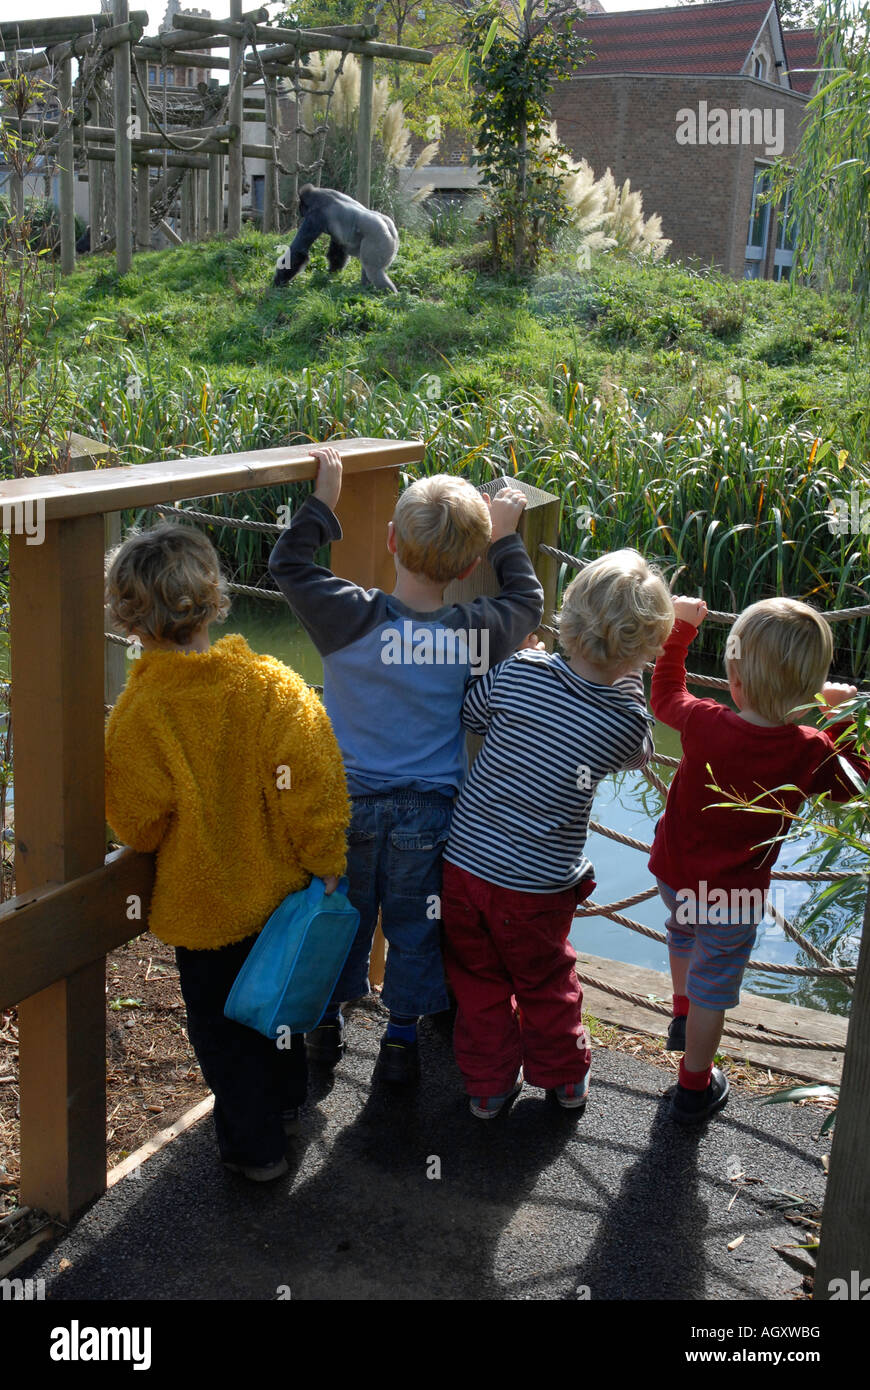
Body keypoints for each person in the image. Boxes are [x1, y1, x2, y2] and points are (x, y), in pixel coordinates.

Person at [269, 448, 544, 1083]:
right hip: (431, 812)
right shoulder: (472, 631)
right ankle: (399, 1038)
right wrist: (506, 537)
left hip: (348, 806)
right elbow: (526, 604)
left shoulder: (349, 616)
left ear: (391, 540)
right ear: (470, 565)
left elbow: (288, 564)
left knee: (345, 918)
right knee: (417, 926)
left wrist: (324, 502)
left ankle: (325, 1025)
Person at [104, 521, 350, 1180]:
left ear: (130, 619)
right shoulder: (271, 684)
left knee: (221, 1031)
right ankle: (291, 1101)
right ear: (215, 598)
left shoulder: (141, 711)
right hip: (279, 895)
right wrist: (325, 858)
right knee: (278, 1007)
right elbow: (314, 777)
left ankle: (256, 1150)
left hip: (204, 907)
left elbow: (138, 823)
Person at [441, 549, 674, 1118]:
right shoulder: (622, 724)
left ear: (566, 619)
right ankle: (565, 1080)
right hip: (538, 890)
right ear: (643, 651)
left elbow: (473, 712)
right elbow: (643, 747)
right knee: (547, 981)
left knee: (478, 983)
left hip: (464, 871)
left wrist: (530, 661)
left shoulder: (520, 672)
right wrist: (628, 681)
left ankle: (489, 1088)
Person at [650, 595, 868, 1124]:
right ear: (809, 688)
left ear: (734, 677)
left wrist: (680, 630)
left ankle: (681, 1015)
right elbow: (854, 782)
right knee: (714, 989)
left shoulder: (704, 720)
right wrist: (839, 717)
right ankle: (693, 1088)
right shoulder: (811, 749)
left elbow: (664, 693)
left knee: (682, 935)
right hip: (735, 896)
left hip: (675, 874)